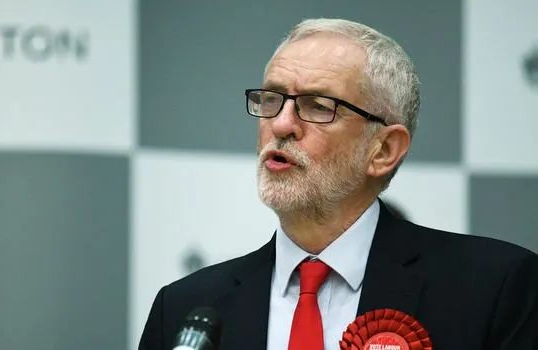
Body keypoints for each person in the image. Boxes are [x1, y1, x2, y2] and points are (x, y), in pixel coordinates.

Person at [139, 18, 538, 350]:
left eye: (318, 106)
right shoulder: (185, 309)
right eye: (272, 98)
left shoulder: (495, 290)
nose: (280, 125)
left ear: (383, 149)